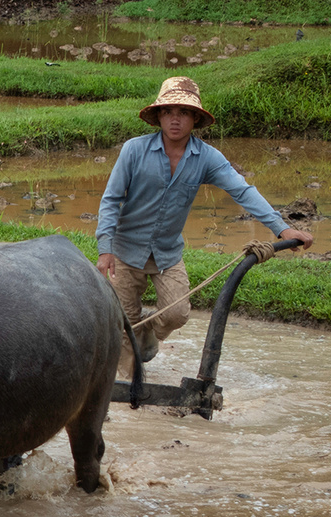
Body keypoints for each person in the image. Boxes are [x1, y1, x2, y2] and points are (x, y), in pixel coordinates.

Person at [96, 76, 313, 373]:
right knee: (124, 326)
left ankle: (146, 334)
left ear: (195, 118)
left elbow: (242, 190)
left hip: (166, 254)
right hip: (124, 251)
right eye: (169, 111)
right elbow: (111, 200)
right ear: (159, 115)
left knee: (176, 314)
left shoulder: (206, 158)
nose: (175, 120)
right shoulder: (134, 150)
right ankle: (134, 392)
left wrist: (282, 229)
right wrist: (105, 249)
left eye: (183, 113)